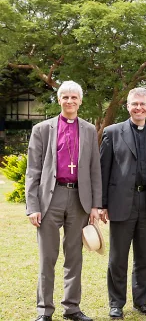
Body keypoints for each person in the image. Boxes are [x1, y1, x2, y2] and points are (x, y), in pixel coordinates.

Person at [25, 81, 101, 321]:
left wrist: (95, 205)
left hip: (79, 198)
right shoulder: (42, 129)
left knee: (74, 256)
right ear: (59, 100)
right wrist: (32, 206)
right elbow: (32, 170)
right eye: (65, 97)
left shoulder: (89, 129)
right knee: (48, 257)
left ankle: (71, 307)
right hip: (50, 198)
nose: (70, 101)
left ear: (80, 101)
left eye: (74, 97)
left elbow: (94, 169)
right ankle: (44, 311)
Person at [99, 87, 146, 319]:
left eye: (143, 104)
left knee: (145, 257)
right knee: (118, 258)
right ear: (128, 106)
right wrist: (102, 204)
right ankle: (116, 302)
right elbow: (103, 170)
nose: (139, 107)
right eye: (134, 104)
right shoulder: (112, 132)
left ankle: (141, 301)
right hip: (120, 203)